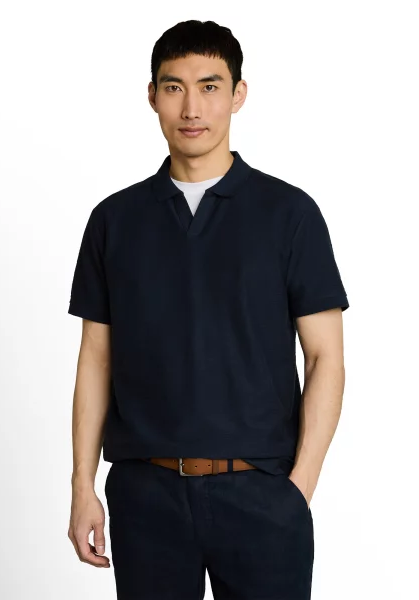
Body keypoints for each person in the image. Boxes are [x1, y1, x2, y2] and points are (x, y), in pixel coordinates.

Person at [67, 19, 349, 600]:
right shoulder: (114, 220)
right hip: (145, 494)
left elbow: (326, 357)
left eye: (210, 86)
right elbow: (96, 358)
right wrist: (82, 486)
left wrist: (298, 488)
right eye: (174, 87)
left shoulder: (290, 214)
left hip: (261, 492)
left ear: (238, 94)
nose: (192, 107)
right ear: (152, 96)